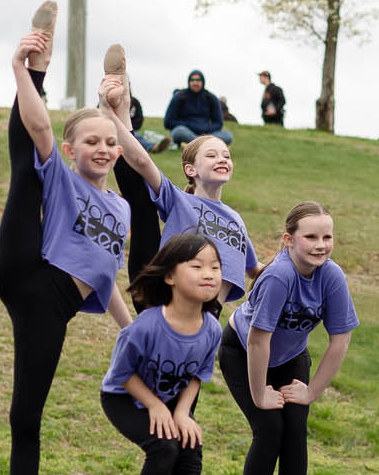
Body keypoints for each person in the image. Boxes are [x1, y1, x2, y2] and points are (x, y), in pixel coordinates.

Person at [0, 2, 133, 475]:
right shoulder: (62, 174)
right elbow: (36, 125)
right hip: (27, 271)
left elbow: (104, 275)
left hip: (56, 308)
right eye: (90, 142)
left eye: (109, 141)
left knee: (29, 410)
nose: (101, 149)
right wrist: (21, 72)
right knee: (25, 173)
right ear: (73, 150)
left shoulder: (119, 209)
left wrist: (133, 329)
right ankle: (36, 64)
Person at [220, 201, 357, 475]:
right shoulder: (279, 276)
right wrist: (258, 394)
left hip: (291, 355)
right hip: (244, 352)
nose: (320, 245)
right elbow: (256, 342)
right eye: (310, 236)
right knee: (268, 431)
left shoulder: (331, 276)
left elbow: (340, 340)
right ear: (288, 240)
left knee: (295, 431)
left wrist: (311, 393)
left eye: (327, 236)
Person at [101, 67, 261, 304]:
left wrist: (301, 269)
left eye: (226, 156)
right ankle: (122, 110)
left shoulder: (235, 220)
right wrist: (107, 113)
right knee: (142, 203)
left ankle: (122, 110)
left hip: (206, 319)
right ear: (190, 169)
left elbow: (255, 268)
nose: (222, 160)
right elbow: (141, 161)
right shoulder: (180, 200)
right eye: (212, 156)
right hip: (164, 299)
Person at [100, 232, 221, 475]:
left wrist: (182, 413)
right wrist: (154, 405)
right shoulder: (146, 327)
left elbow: (198, 375)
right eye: (196, 266)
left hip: (168, 401)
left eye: (215, 267)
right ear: (169, 276)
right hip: (124, 397)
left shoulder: (212, 330)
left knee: (190, 446)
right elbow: (122, 374)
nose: (208, 274)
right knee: (164, 447)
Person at [164, 69, 233, 146]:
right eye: (192, 80)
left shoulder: (210, 98)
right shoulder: (180, 96)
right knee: (179, 131)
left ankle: (193, 145)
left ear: (203, 82)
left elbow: (218, 123)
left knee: (228, 136)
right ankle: (206, 144)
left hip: (205, 133)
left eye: (198, 80)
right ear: (189, 81)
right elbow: (168, 122)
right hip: (187, 131)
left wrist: (206, 130)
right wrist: (188, 125)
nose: (195, 82)